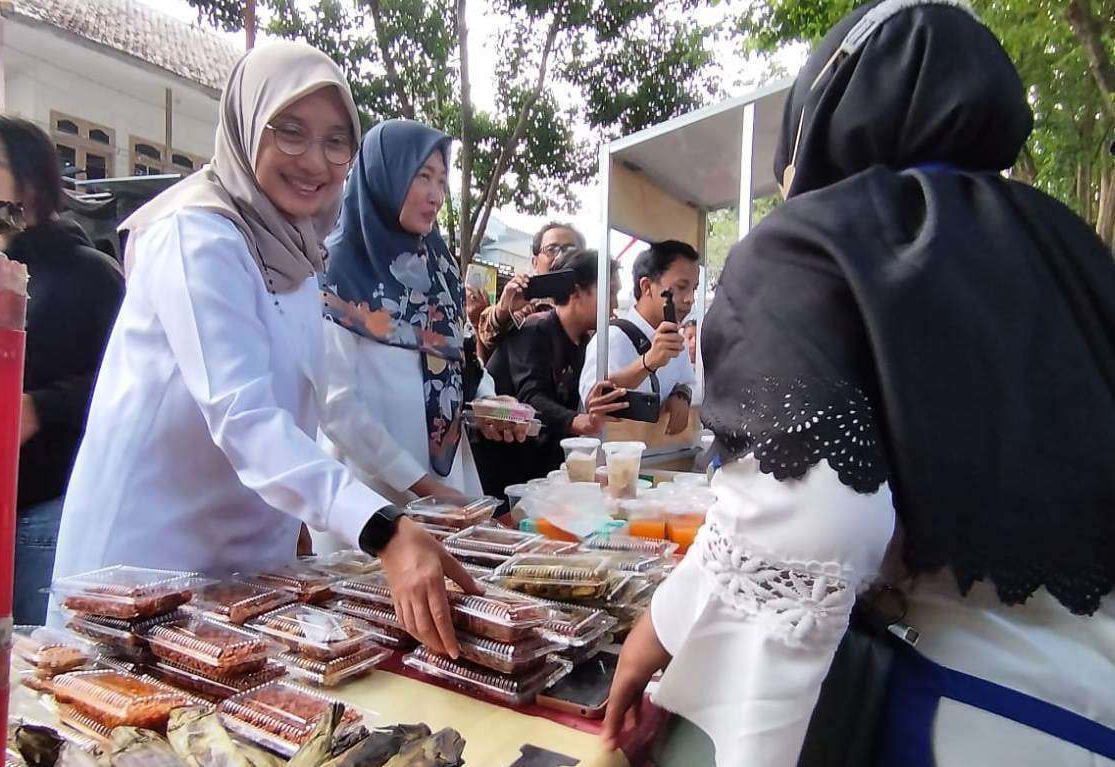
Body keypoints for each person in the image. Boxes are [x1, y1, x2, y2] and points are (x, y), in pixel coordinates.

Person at [602, 3, 1115, 766]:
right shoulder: (1071, 249)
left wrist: (669, 623)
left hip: (954, 717)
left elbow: (812, 520)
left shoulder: (811, 243)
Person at [50, 42, 477, 659]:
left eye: (336, 142)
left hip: (247, 577)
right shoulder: (196, 235)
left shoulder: (301, 254)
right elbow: (245, 418)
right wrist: (381, 526)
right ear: (247, 126)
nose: (314, 161)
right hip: (144, 562)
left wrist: (306, 533)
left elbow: (309, 407)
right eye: (291, 132)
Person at [0, 113, 125, 624]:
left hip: (51, 506)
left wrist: (40, 407)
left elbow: (129, 387)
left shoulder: (87, 273)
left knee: (30, 664)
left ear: (31, 179)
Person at [319, 119, 481, 504]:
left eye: (442, 181)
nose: (436, 195)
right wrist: (421, 485)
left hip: (446, 485)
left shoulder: (440, 269)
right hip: (370, 492)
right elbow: (335, 404)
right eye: (423, 176)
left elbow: (455, 362)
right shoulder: (337, 268)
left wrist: (492, 405)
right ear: (383, 174)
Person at [475, 248, 625, 499]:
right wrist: (582, 422)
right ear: (577, 291)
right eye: (610, 293)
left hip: (540, 472)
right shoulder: (535, 330)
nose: (616, 304)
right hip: (503, 473)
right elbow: (531, 398)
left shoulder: (586, 343)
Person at [578, 240, 699, 437]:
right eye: (681, 286)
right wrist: (648, 362)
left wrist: (682, 395)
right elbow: (594, 399)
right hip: (611, 463)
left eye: (694, 288)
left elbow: (686, 382)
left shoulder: (678, 343)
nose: (690, 298)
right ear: (646, 287)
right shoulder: (612, 338)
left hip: (663, 460)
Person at [475, 222, 585, 361]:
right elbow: (488, 339)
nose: (559, 257)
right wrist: (503, 310)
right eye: (551, 249)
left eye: (569, 250)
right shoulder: (525, 306)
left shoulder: (591, 307)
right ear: (535, 262)